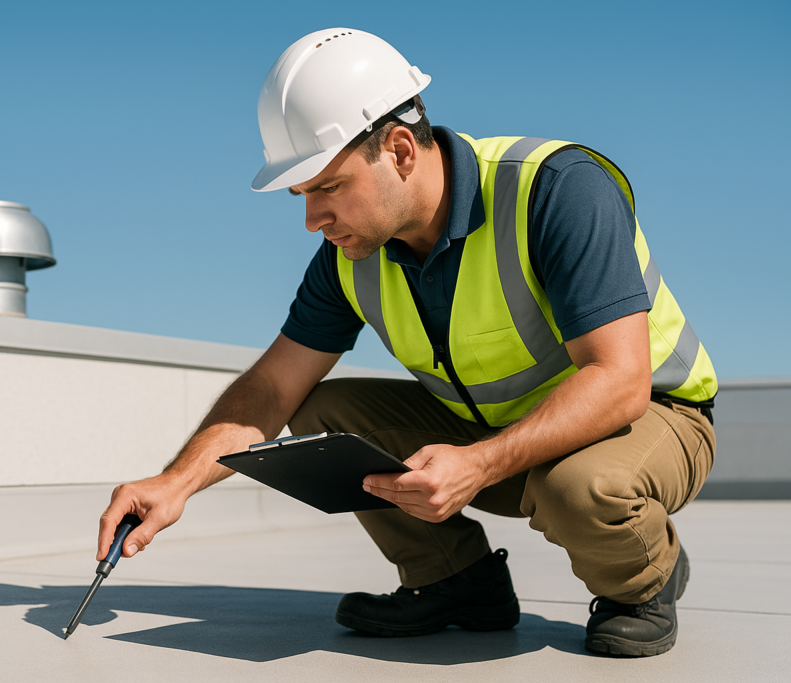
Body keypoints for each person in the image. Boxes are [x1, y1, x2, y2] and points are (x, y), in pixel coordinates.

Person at [98, 28, 717, 658]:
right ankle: (455, 581)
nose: (312, 219)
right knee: (321, 417)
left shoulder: (555, 190)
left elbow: (620, 379)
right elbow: (273, 387)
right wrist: (175, 482)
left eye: (327, 187)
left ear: (398, 149)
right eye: (302, 194)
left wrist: (476, 464)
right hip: (494, 432)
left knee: (578, 488)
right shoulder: (347, 259)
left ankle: (643, 578)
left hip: (651, 417)